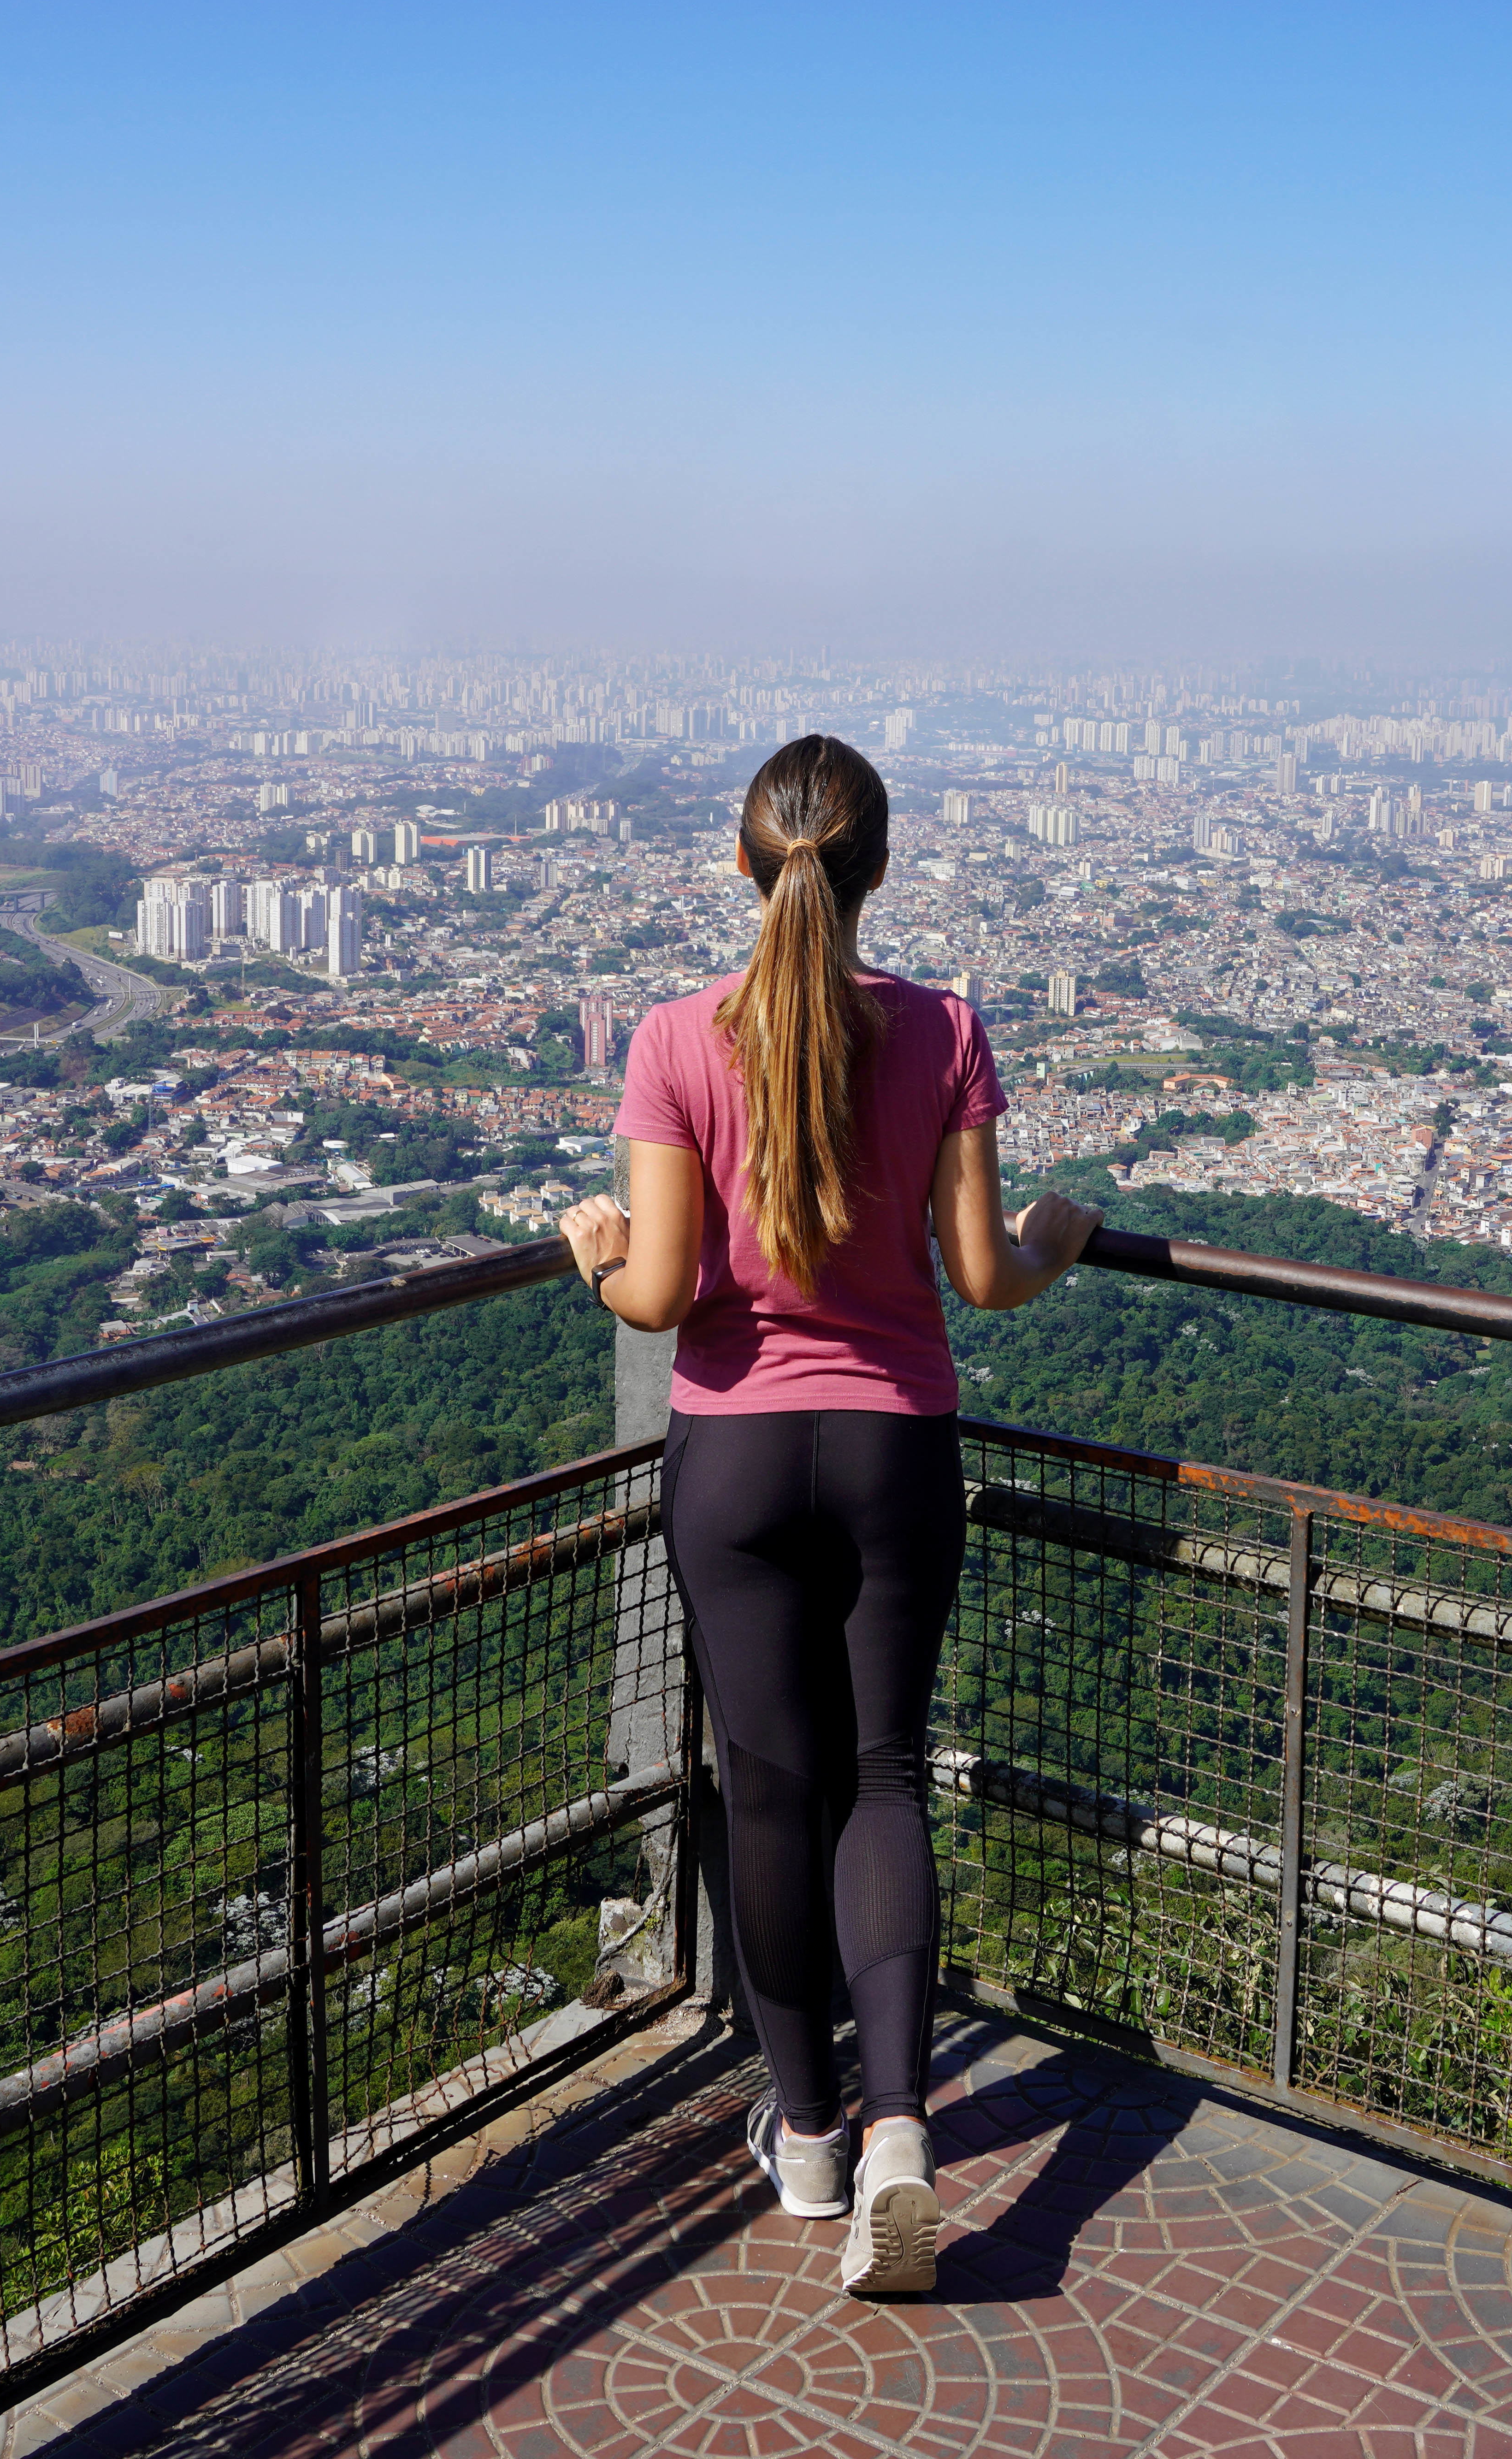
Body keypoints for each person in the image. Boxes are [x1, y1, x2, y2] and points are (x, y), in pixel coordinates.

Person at [561, 735, 1099, 2299]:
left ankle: (803, 2139)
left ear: (746, 867)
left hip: (734, 1455)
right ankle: (902, 2142)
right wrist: (1059, 1236)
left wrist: (589, 1249)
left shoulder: (675, 1040)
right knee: (885, 1779)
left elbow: (659, 1297)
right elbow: (983, 1274)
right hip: (892, 1447)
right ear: (879, 871)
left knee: (772, 1792)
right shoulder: (944, 1029)